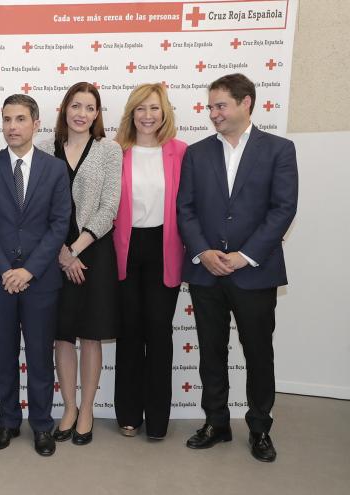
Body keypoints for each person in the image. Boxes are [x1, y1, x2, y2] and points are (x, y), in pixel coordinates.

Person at [177, 73, 298, 462]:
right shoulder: (195, 154)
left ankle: (260, 428)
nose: (212, 113)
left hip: (255, 272)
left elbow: (283, 209)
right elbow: (186, 209)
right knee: (211, 351)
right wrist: (203, 251)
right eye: (210, 106)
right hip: (205, 271)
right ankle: (216, 423)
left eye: (220, 105)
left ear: (246, 103)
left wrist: (245, 256)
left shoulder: (279, 149)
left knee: (258, 352)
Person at [0, 94, 71, 456]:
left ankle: (41, 425)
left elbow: (60, 224)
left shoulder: (55, 169)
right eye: (6, 119)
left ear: (35, 124)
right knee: (4, 356)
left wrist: (28, 270)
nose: (12, 127)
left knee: (40, 356)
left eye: (19, 119)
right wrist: (5, 270)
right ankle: (8, 422)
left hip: (41, 280)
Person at [112, 83, 187, 440]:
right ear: (131, 114)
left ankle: (157, 419)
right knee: (129, 333)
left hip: (165, 248)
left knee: (159, 333)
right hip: (124, 250)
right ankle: (128, 414)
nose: (147, 116)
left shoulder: (181, 152)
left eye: (154, 108)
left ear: (165, 113)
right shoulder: (115, 153)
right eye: (140, 109)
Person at [51, 82, 122, 446]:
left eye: (89, 107)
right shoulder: (47, 150)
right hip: (54, 255)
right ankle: (68, 407)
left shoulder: (109, 150)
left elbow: (110, 206)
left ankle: (88, 409)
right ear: (65, 110)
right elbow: (40, 210)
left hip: (93, 253)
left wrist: (76, 249)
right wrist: (62, 253)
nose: (81, 113)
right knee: (62, 335)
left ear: (97, 114)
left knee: (91, 334)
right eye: (75, 106)